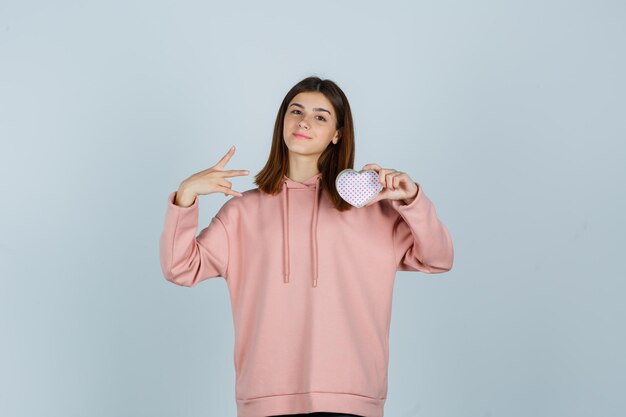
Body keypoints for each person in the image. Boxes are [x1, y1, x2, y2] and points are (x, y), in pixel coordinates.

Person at [159, 76, 454, 417]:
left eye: (320, 116)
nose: (304, 122)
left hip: (353, 399)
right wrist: (186, 196)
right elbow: (180, 267)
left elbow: (438, 258)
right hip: (265, 401)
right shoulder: (242, 212)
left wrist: (413, 199)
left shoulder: (373, 209)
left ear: (337, 134)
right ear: (282, 120)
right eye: (296, 111)